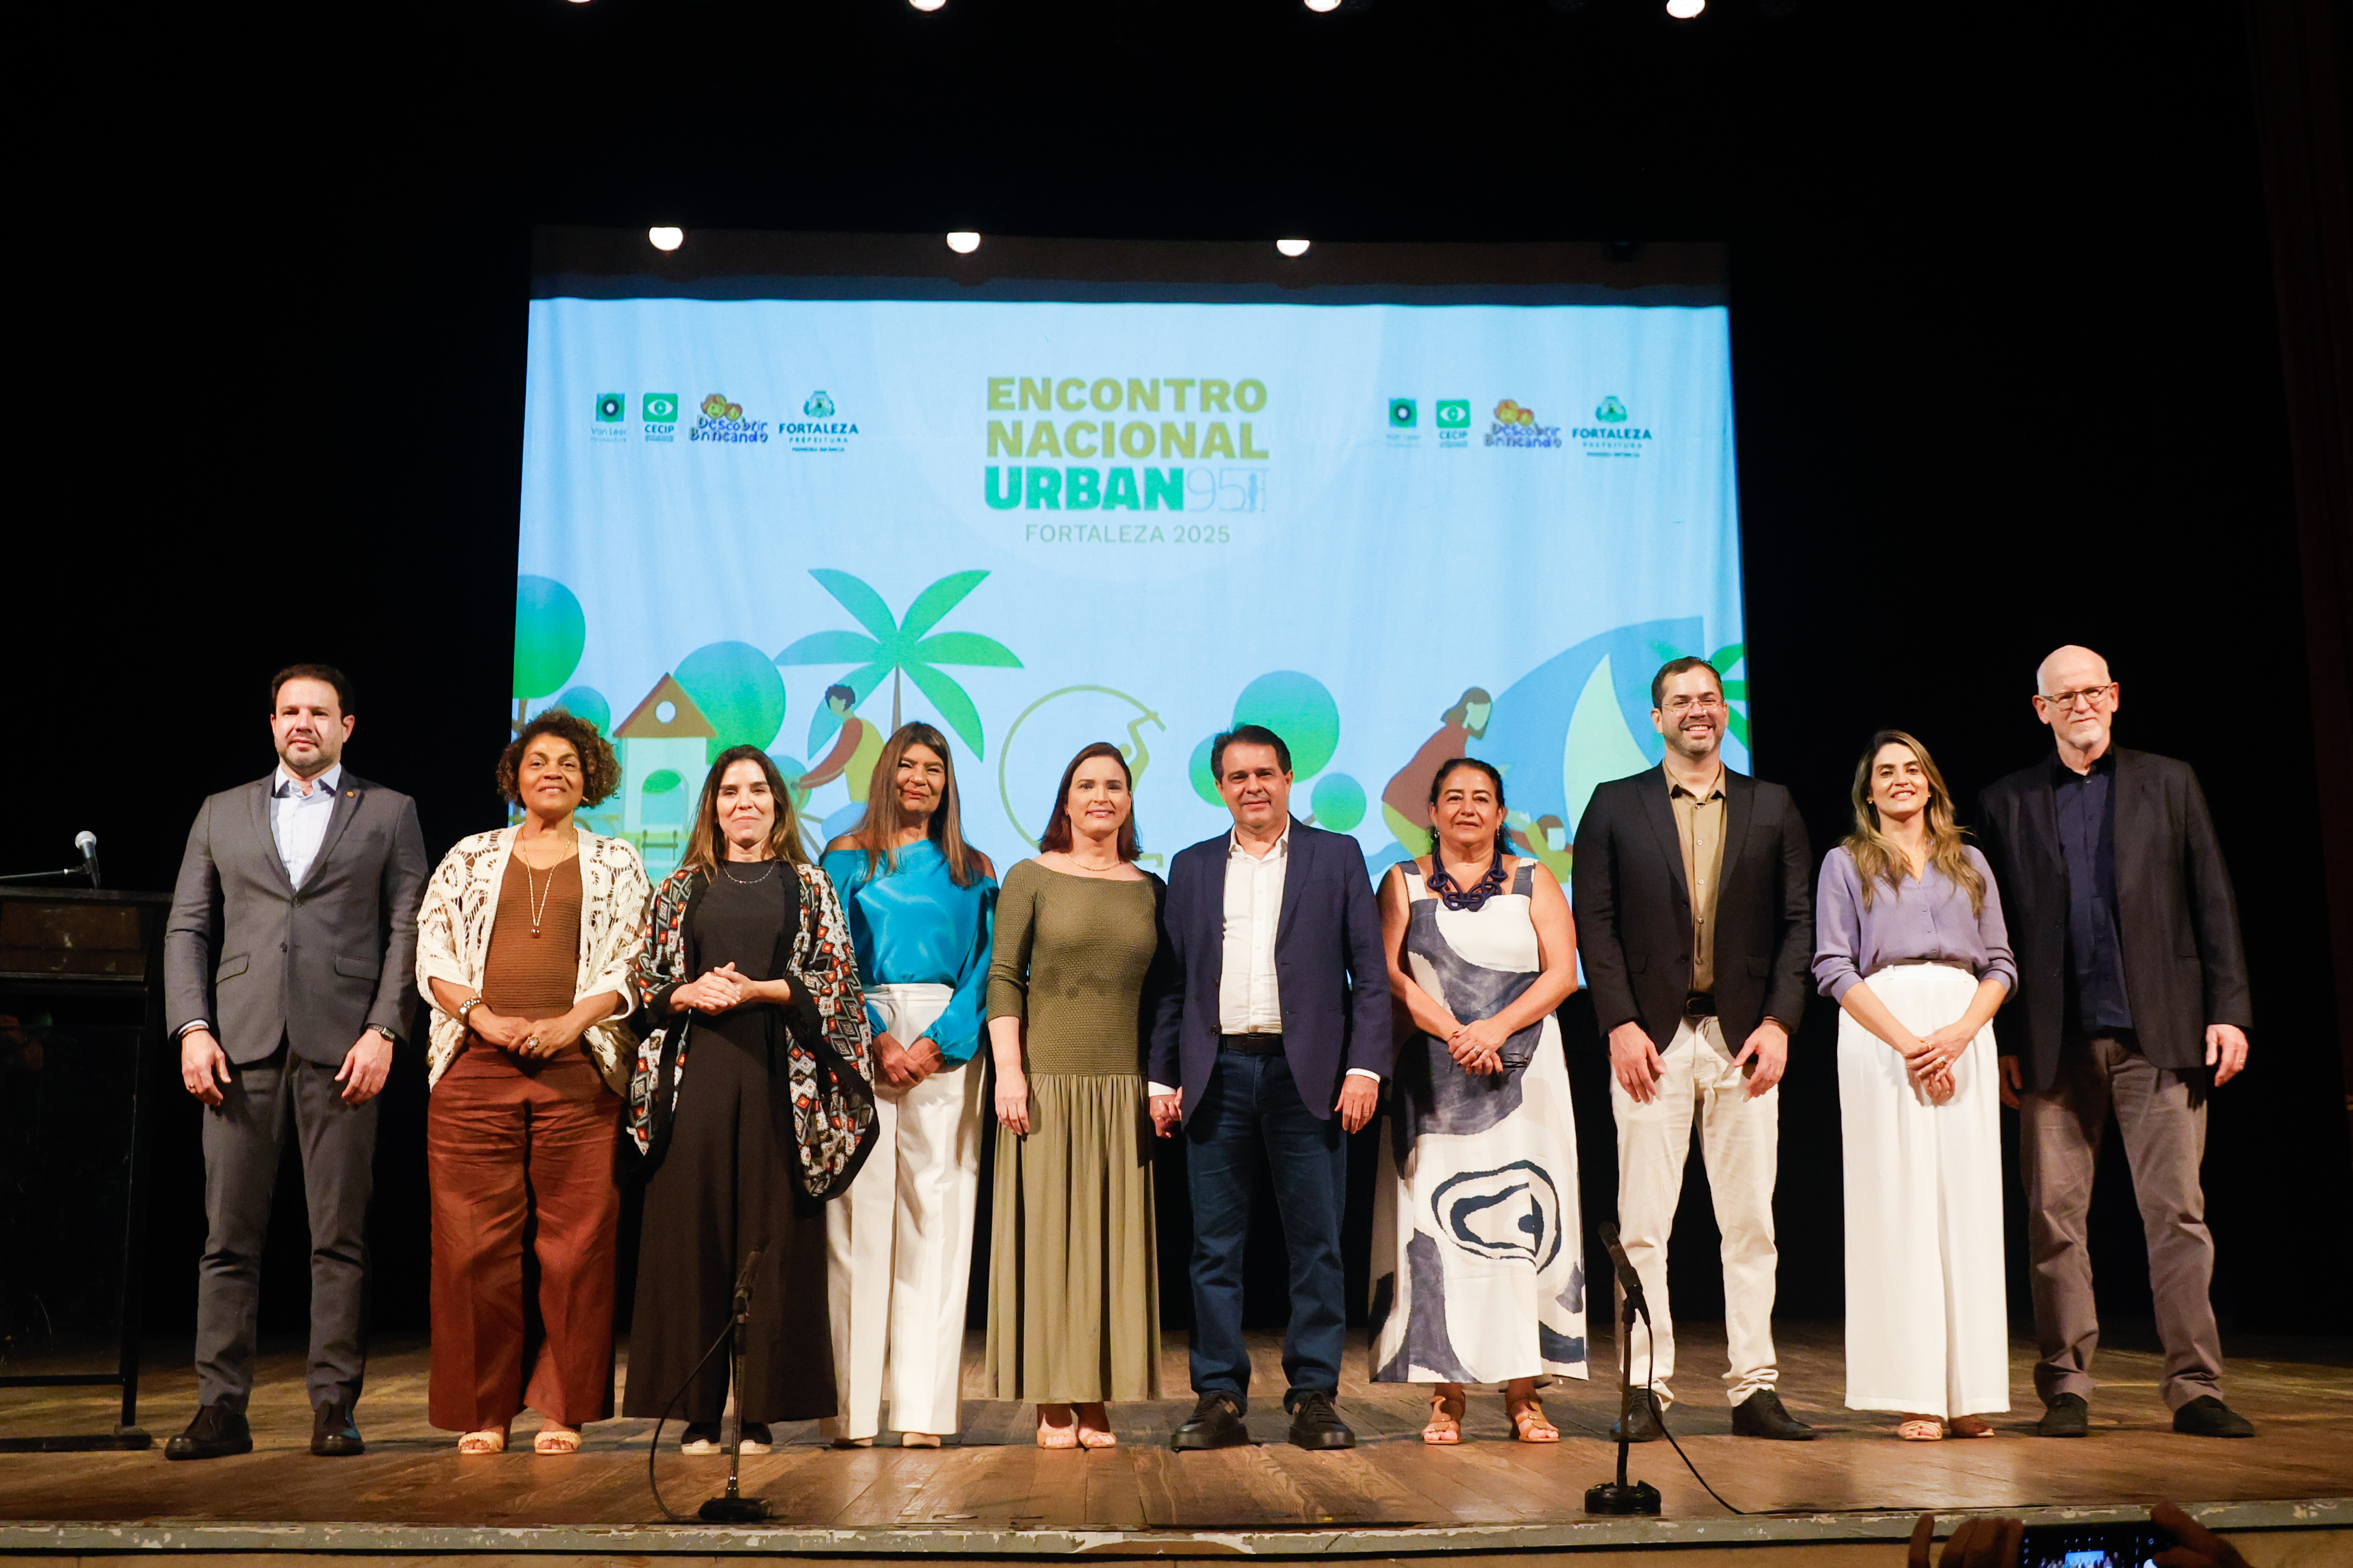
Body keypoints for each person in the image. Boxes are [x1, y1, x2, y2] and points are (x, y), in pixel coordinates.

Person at [1976, 646, 2256, 1439]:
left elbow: (2214, 899)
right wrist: (2002, 1036)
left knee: (2177, 1213)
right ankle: (2066, 1383)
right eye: (2063, 695)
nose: (2080, 704)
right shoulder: (2008, 801)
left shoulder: (2170, 781)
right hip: (2052, 1042)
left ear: (2115, 696)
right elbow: (1994, 933)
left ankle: (2195, 1385)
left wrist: (2228, 1008)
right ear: (2040, 709)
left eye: (2092, 690)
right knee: (2054, 1220)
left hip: (2160, 1032)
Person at [162, 664, 429, 1461]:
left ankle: (334, 1405)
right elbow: (187, 928)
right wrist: (191, 1027)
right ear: (271, 722)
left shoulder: (389, 811)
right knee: (227, 1240)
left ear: (349, 724)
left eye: (319, 711)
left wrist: (385, 1029)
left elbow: (408, 927)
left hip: (344, 1047)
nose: (302, 722)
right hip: (235, 1047)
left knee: (338, 1239)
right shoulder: (221, 811)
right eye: (289, 711)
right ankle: (220, 1406)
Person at [1570, 656, 1815, 1442]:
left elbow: (1799, 924)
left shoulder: (1770, 803)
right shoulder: (1615, 804)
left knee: (1749, 1223)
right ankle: (1645, 1386)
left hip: (1744, 1039)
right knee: (1644, 1223)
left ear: (1723, 711)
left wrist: (1779, 1021)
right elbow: (1595, 923)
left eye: (1709, 698)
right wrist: (1618, 1023)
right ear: (1656, 717)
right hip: (1651, 1039)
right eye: (1680, 701)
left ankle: (1754, 1387)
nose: (1697, 710)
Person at [621, 745, 874, 1453]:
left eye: (757, 789)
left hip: (777, 1077)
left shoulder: (811, 885)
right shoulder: (679, 887)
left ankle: (759, 1409)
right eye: (730, 790)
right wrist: (686, 990)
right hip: (696, 1073)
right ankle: (697, 1412)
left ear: (777, 803)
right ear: (712, 805)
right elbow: (643, 981)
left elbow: (837, 982)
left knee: (770, 1238)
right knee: (692, 1236)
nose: (744, 801)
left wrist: (765, 989)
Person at [413, 711, 652, 1455]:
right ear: (515, 774)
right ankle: (485, 1409)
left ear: (591, 780)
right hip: (475, 1067)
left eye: (570, 763)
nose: (553, 771)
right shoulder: (471, 855)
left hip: (578, 1069)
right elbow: (434, 948)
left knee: (576, 1245)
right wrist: (483, 1019)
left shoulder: (616, 860)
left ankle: (563, 1407)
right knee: (470, 1244)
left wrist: (572, 1022)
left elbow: (633, 960)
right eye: (538, 760)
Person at [1150, 724, 1393, 1452]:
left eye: (1265, 772)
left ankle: (1314, 1392)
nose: (1252, 785)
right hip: (1215, 1071)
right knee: (1213, 1247)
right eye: (1237, 776)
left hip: (1309, 1075)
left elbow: (1370, 977)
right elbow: (1172, 984)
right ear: (1220, 788)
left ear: (1290, 779)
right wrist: (1163, 1074)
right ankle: (1218, 1393)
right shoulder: (1190, 867)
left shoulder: (1337, 855)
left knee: (1316, 1242)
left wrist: (1364, 1066)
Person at [1371, 758, 1587, 1444]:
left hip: (1524, 1073)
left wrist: (1494, 1027)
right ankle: (1446, 1392)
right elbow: (1387, 975)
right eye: (1453, 798)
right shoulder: (1401, 881)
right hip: (1433, 1076)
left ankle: (1526, 1392)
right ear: (1431, 811)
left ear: (1500, 814)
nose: (1468, 808)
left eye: (1482, 798)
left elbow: (1562, 973)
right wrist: (1456, 1032)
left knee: (1526, 1221)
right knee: (1436, 1227)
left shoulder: (1534, 879)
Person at [1813, 731, 2015, 1441]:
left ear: (1930, 782)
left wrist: (1957, 1033)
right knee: (1895, 1207)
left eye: (1912, 769)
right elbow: (1833, 966)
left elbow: (2001, 962)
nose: (1900, 780)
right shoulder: (1845, 862)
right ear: (1869, 791)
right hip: (1882, 1035)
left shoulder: (1971, 862)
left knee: (1967, 1205)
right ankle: (1913, 1391)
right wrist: (1909, 1042)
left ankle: (1970, 1390)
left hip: (1963, 1029)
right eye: (1885, 772)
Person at [820, 722, 999, 1449]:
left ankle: (922, 1408)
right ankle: (856, 1412)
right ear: (886, 772)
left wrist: (938, 1041)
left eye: (935, 768)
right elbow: (826, 951)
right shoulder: (845, 856)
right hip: (860, 1030)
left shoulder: (975, 865)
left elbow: (988, 965)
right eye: (908, 766)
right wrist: (874, 1035)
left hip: (944, 1040)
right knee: (858, 1222)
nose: (920, 778)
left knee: (938, 1215)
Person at [984, 742, 1166, 1449]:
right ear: (1065, 799)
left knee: (1109, 1248)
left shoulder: (1152, 887)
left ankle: (1096, 1396)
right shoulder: (1030, 875)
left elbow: (1165, 994)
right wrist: (1010, 1070)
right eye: (1086, 783)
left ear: (1128, 800)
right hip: (1047, 1083)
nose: (1101, 795)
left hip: (1122, 1091)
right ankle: (1052, 1397)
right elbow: (1005, 975)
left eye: (1114, 785)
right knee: (1050, 1244)